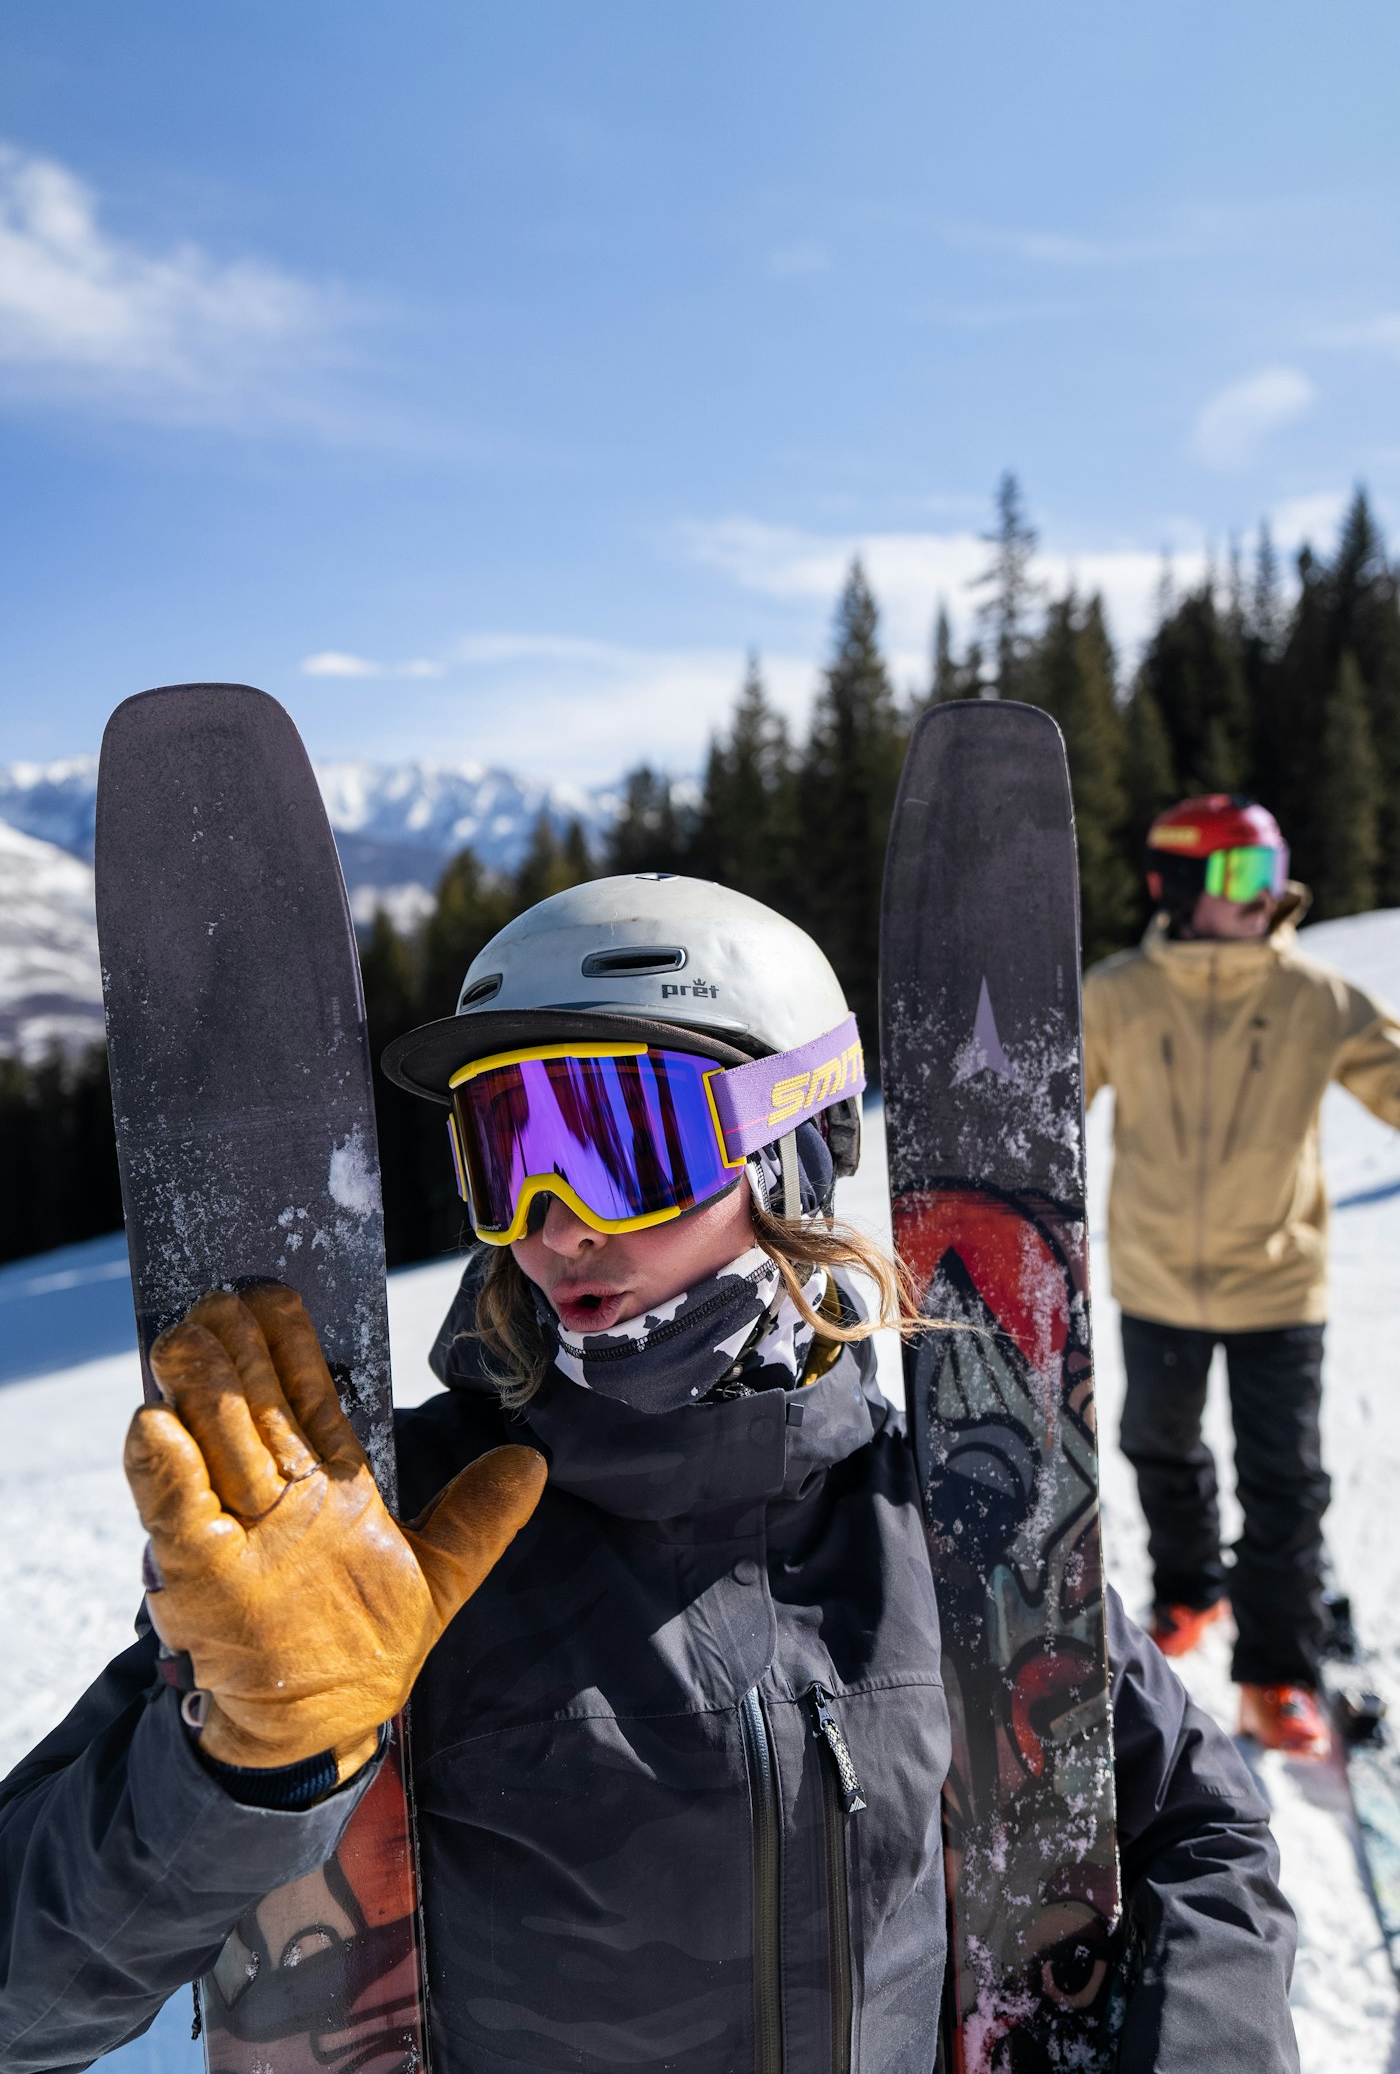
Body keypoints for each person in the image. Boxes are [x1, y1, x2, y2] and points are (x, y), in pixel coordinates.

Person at [0, 875, 1300, 2073]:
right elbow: (28, 1999)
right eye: (507, 1147)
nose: (558, 1216)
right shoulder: (365, 1544)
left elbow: (1198, 1827)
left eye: (621, 1141)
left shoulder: (936, 1526)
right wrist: (248, 1773)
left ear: (796, 1146)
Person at [1084, 795, 1400, 1758]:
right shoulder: (1117, 995)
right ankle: (1189, 1590)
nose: (1264, 897)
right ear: (1176, 885)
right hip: (1156, 1279)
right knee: (1161, 1447)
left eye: (1270, 874)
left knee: (1285, 1482)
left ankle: (1278, 1669)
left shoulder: (1315, 997)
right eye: (1239, 877)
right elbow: (1041, 1098)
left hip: (1277, 1285)